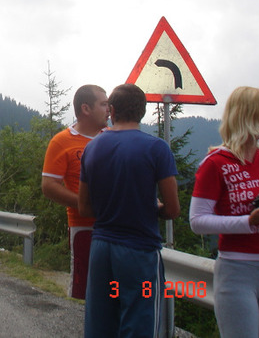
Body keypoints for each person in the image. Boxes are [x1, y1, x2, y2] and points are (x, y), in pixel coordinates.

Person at [78, 83, 179, 338]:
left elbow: (84, 206)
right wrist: (155, 209)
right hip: (139, 252)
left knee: (101, 323)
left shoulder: (92, 148)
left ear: (111, 110)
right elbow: (173, 209)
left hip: (101, 250)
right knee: (139, 320)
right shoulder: (157, 149)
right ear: (142, 112)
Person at [190, 86, 259, 338]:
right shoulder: (216, 163)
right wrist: (247, 221)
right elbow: (197, 222)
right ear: (248, 116)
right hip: (237, 272)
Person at [41, 84, 108, 299]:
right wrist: (85, 205)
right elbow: (49, 186)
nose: (109, 108)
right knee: (85, 292)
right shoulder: (62, 141)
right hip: (84, 228)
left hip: (118, 225)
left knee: (114, 291)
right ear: (86, 109)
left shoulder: (113, 137)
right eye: (104, 104)